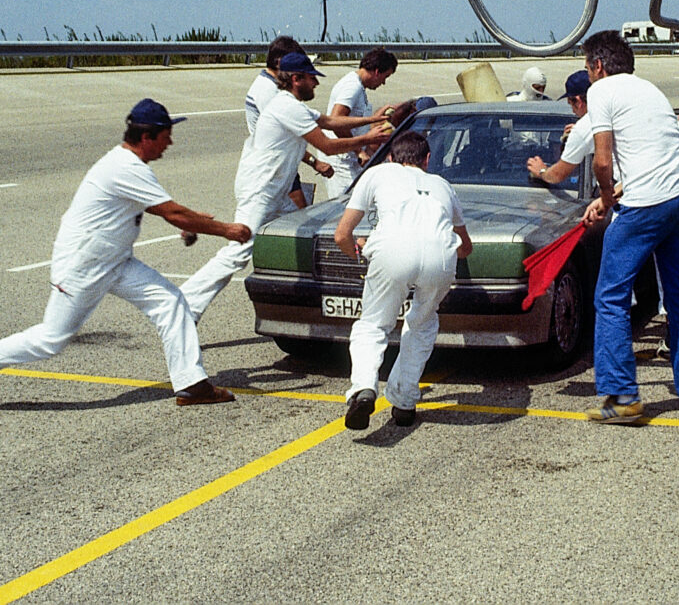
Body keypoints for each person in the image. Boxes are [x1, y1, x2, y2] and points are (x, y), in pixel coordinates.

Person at [0, 99, 251, 414]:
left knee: (171, 302)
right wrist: (227, 230)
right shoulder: (125, 167)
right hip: (84, 263)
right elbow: (173, 213)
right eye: (166, 136)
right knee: (51, 339)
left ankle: (191, 383)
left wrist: (195, 220)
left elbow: (168, 210)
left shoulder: (131, 166)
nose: (169, 143)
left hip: (114, 260)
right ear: (146, 138)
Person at [180, 53, 391, 321]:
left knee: (299, 233)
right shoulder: (287, 107)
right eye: (311, 78)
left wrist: (371, 121)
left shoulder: (293, 105)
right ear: (296, 79)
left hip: (275, 191)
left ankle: (314, 302)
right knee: (239, 251)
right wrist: (368, 140)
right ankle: (185, 306)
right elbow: (325, 144)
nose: (316, 84)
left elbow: (329, 122)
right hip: (260, 189)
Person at [579, 30, 679, 423]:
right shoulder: (649, 90)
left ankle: (621, 398)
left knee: (610, 298)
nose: (589, 76)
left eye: (588, 68)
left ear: (598, 66)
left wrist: (605, 197)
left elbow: (602, 161)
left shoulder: (601, 92)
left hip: (644, 205)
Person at [335, 132, 473, 430]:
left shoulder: (377, 173)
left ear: (390, 157)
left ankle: (363, 388)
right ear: (427, 160)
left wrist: (359, 252)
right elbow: (465, 247)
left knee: (373, 323)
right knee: (422, 325)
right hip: (440, 256)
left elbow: (341, 235)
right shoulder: (443, 185)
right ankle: (404, 401)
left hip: (392, 251)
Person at [245, 36, 332, 209]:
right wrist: (316, 162)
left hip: (280, 163)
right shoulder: (268, 91)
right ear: (279, 62)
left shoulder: (269, 85)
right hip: (275, 167)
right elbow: (309, 136)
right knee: (297, 220)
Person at [324, 47, 399, 198]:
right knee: (346, 204)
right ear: (377, 72)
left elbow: (354, 122)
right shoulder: (352, 87)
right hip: (342, 160)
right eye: (385, 77)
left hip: (352, 158)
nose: (383, 83)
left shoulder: (358, 87)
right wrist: (359, 151)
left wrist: (377, 117)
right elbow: (336, 120)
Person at [526, 70, 593, 185]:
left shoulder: (583, 129)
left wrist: (541, 170)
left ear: (578, 101)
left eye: (570, 103)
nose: (572, 110)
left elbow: (558, 175)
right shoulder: (610, 117)